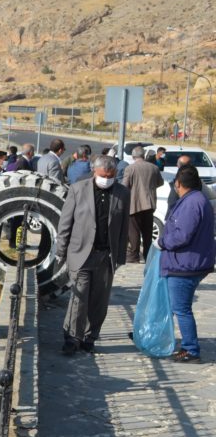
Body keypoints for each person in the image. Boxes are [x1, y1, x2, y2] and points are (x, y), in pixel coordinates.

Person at [55, 155, 130, 355]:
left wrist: (120, 256)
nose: (107, 178)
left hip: (106, 256)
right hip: (81, 254)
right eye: (103, 175)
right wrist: (60, 252)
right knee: (79, 298)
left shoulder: (122, 193)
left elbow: (124, 227)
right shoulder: (78, 190)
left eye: (111, 175)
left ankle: (90, 336)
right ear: (94, 172)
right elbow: (65, 224)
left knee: (99, 300)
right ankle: (72, 338)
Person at [158, 165, 216, 363]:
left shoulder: (192, 203)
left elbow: (182, 235)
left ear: (178, 184)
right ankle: (164, 338)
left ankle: (191, 350)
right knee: (177, 306)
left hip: (186, 265)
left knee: (181, 308)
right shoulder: (196, 199)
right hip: (188, 262)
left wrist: (162, 242)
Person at [121, 145, 164, 263]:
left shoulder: (130, 168)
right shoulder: (154, 168)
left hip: (134, 203)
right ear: (143, 155)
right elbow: (160, 182)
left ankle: (134, 255)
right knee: (147, 231)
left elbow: (125, 186)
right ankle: (147, 255)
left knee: (133, 230)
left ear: (133, 156)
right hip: (149, 203)